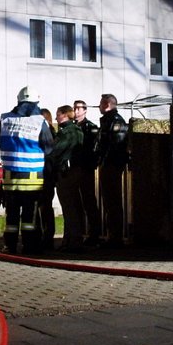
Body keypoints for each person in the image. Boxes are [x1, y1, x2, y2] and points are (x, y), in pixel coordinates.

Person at [0, 86, 53, 255]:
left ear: (18, 100)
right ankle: (29, 246)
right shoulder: (39, 121)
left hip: (10, 177)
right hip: (32, 178)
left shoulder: (5, 119)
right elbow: (48, 147)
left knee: (11, 214)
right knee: (29, 216)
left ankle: (9, 246)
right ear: (35, 102)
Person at [96, 93, 129, 247]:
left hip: (112, 166)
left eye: (102, 103)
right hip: (108, 165)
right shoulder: (108, 121)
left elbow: (116, 146)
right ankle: (112, 236)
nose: (99, 106)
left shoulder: (116, 122)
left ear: (108, 104)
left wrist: (105, 162)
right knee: (109, 202)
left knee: (113, 202)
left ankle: (115, 237)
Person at [51, 105, 85, 252]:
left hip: (66, 173)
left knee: (69, 208)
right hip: (75, 171)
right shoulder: (77, 130)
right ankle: (72, 239)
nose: (56, 117)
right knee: (74, 207)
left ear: (65, 115)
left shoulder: (66, 132)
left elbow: (54, 151)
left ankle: (72, 241)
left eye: (58, 114)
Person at [72, 99, 101, 245]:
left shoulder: (91, 128)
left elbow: (93, 149)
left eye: (79, 108)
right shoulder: (71, 127)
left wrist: (90, 165)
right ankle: (79, 233)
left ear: (85, 110)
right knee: (76, 203)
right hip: (73, 169)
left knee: (89, 201)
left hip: (85, 169)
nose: (76, 111)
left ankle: (94, 234)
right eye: (74, 108)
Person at [39, 108, 57, 250]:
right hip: (44, 176)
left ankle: (47, 237)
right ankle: (44, 237)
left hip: (46, 175)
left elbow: (49, 156)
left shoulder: (49, 134)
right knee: (43, 207)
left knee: (45, 207)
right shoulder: (49, 133)